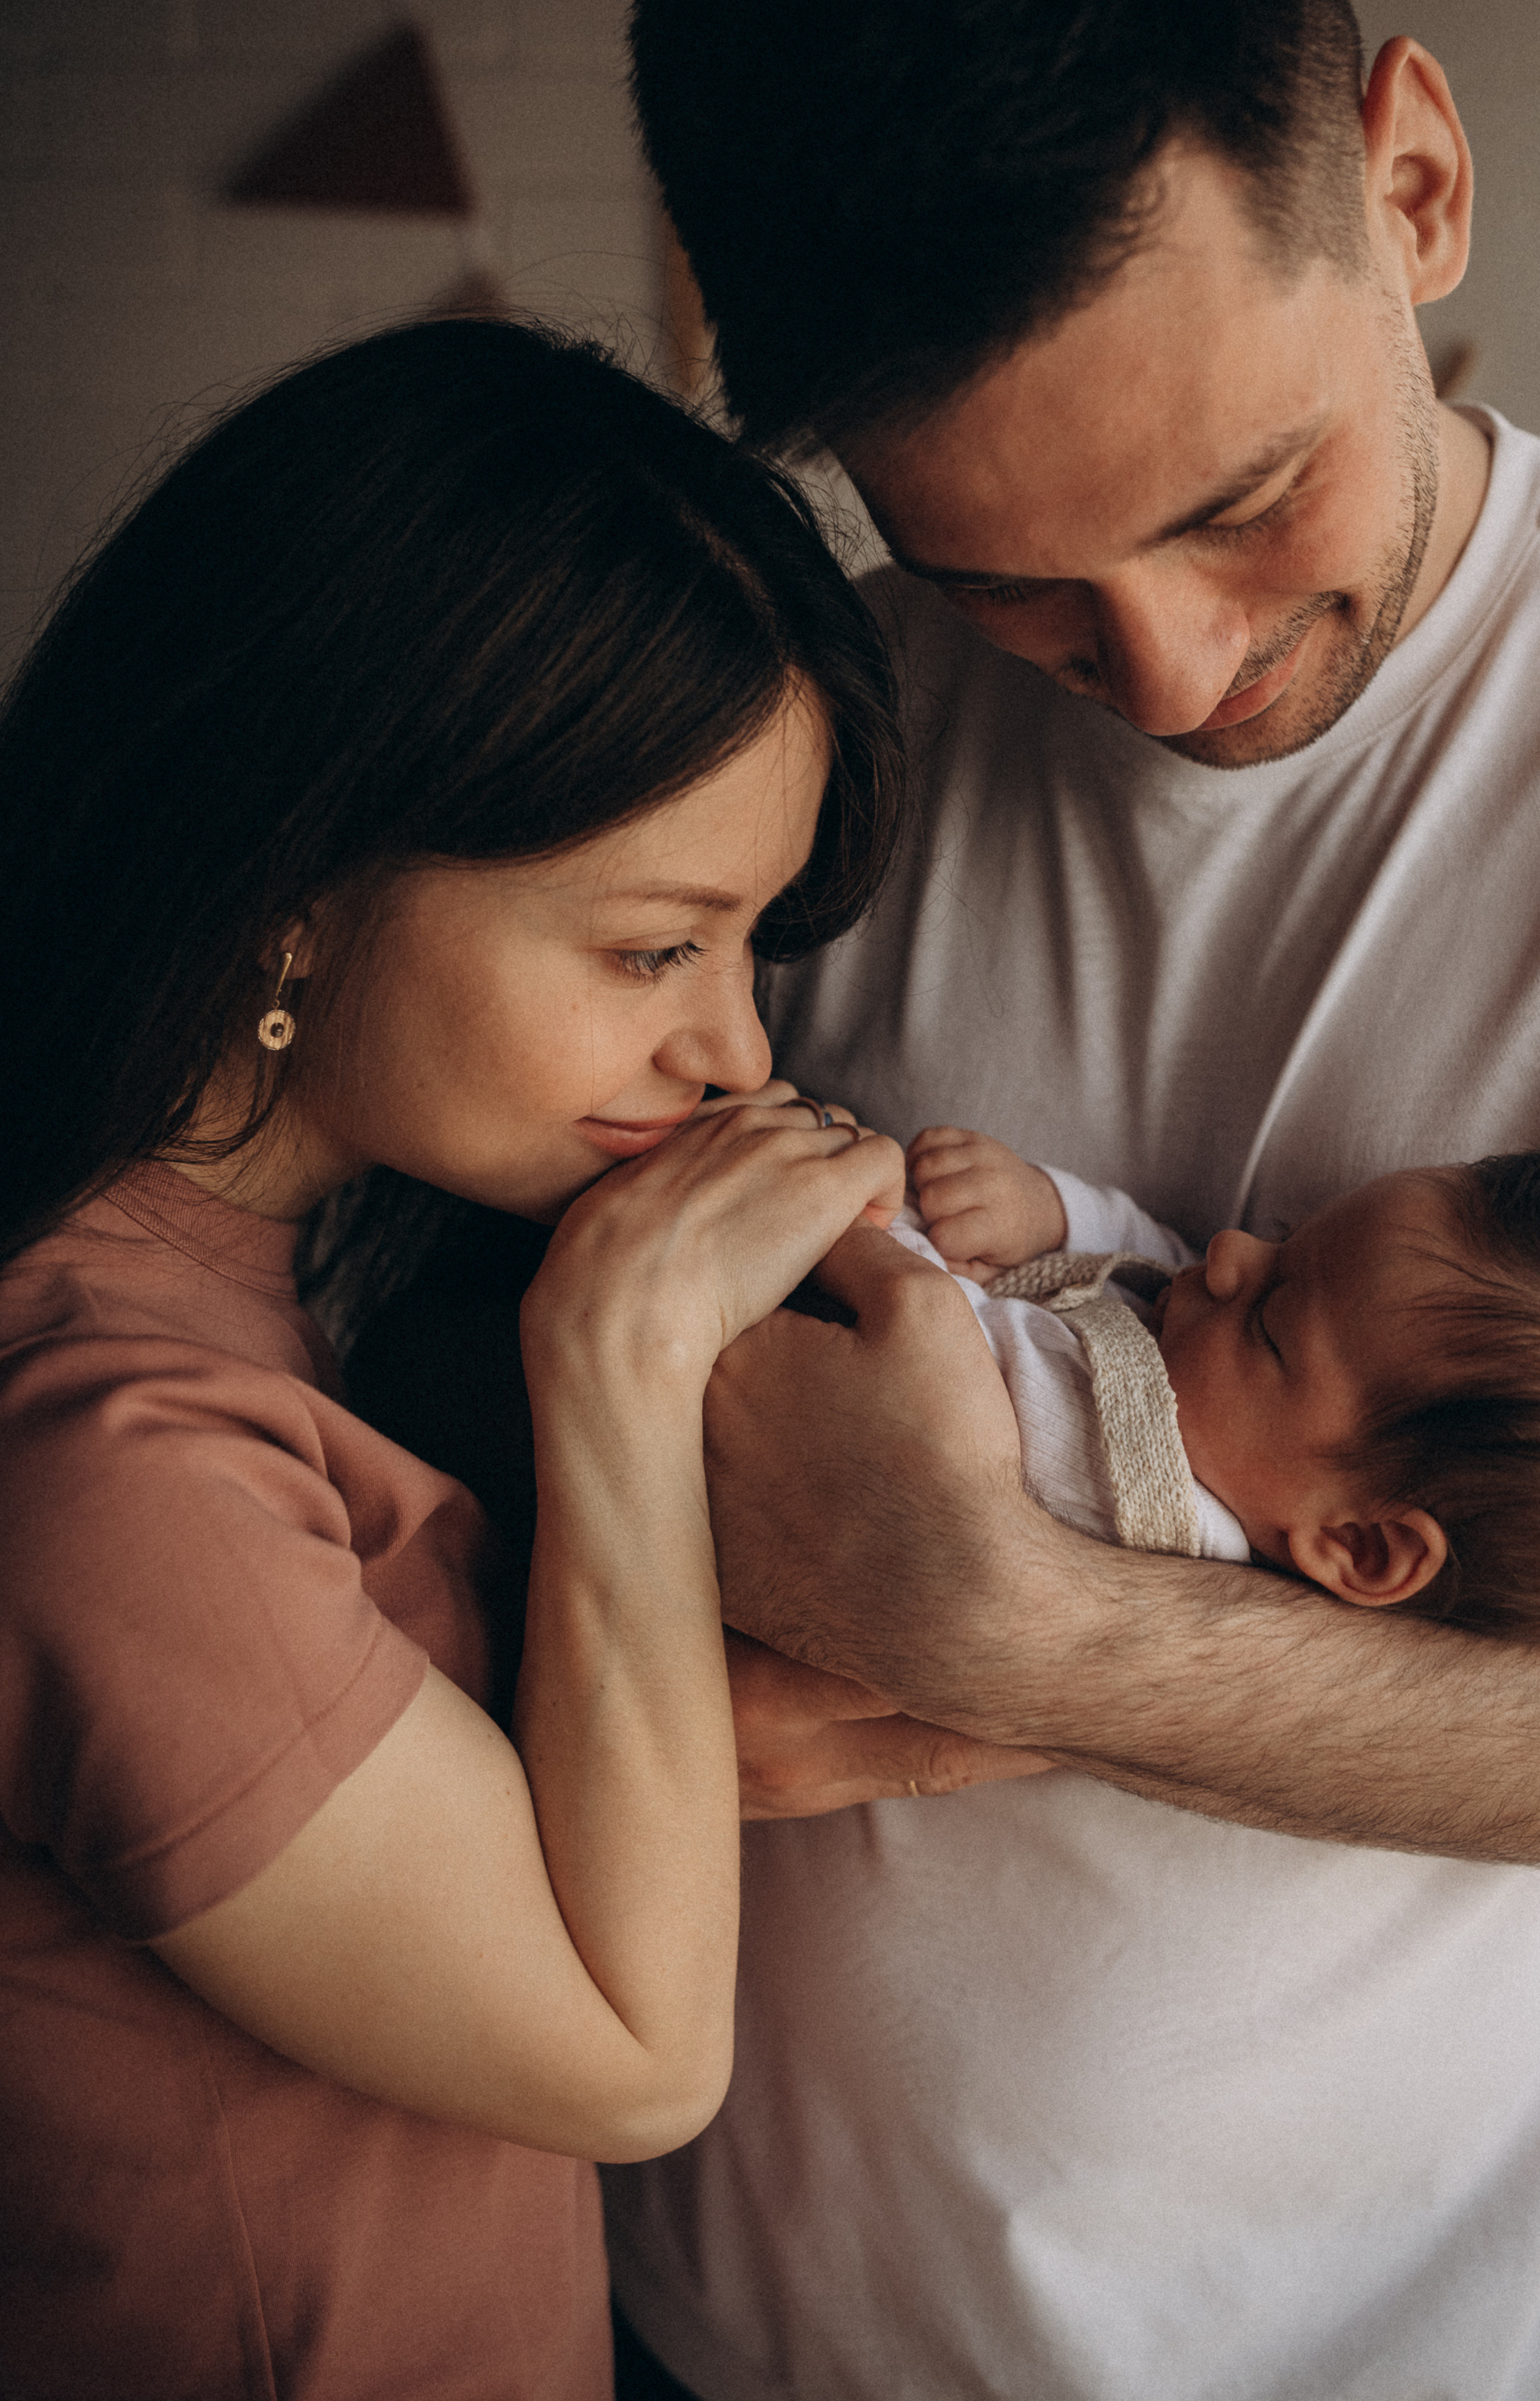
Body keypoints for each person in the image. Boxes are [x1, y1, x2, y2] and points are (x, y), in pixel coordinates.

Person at [603, 0, 1540, 2395]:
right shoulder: (798, 713)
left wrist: (990, 1619)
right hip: (687, 2317)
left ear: (1412, 182)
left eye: (1244, 499)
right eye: (1003, 578)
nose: (1159, 675)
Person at [0, 316, 921, 2400]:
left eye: (746, 947)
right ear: (300, 895)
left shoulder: (280, 1270)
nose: (733, 1055)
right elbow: (632, 2055)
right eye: (648, 948)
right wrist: (624, 1350)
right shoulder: (112, 1453)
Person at [895, 1133, 1540, 1641]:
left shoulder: (1133, 1504)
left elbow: (941, 1357)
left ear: (1358, 1545)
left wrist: (873, 1230)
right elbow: (1152, 1263)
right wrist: (1053, 1211)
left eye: (1272, 1324)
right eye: (1285, 1236)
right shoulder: (1230, 1410)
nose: (1231, 1250)